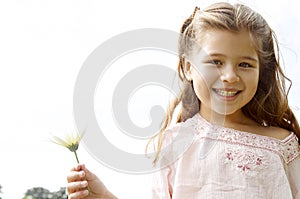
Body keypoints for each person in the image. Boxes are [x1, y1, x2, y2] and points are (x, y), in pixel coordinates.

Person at [66, 2, 300, 199]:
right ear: (188, 67)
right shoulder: (176, 142)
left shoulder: (283, 144)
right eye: (215, 62)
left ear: (262, 71)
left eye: (245, 64)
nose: (230, 76)